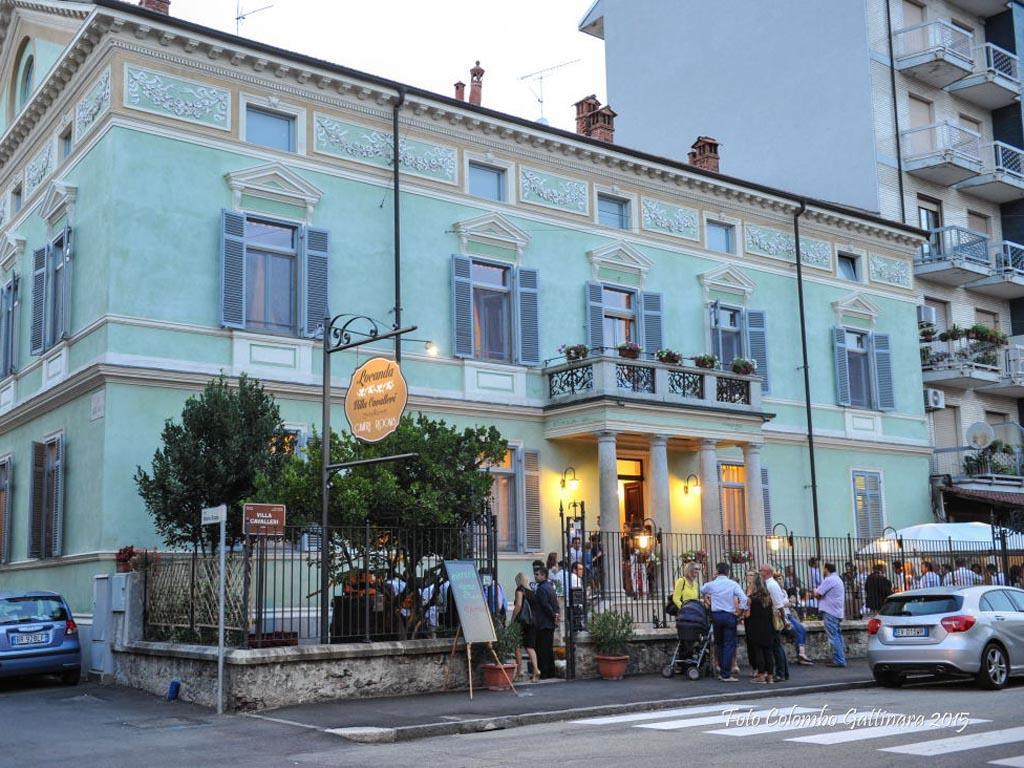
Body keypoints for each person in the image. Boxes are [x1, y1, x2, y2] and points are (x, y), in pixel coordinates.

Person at [700, 562, 748, 682]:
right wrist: (741, 612)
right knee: (729, 645)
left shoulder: (712, 584)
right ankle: (726, 673)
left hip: (716, 615)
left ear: (717, 571)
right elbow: (744, 598)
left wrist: (708, 594)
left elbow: (702, 589)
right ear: (728, 572)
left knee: (719, 644)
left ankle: (722, 670)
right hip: (729, 615)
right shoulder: (733, 584)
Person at [745, 573, 777, 683]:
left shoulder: (751, 599)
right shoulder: (769, 598)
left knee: (758, 651)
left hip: (755, 627)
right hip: (768, 627)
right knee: (768, 652)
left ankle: (761, 675)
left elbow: (747, 615)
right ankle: (770, 676)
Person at [759, 564, 790, 680]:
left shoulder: (771, 585)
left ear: (766, 572)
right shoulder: (769, 584)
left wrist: (784, 620)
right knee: (776, 646)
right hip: (771, 617)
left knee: (776, 647)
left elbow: (779, 605)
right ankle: (783, 672)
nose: (760, 572)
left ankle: (780, 673)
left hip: (773, 618)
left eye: (761, 570)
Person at [814, 562, 846, 668]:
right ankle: (840, 658)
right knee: (837, 635)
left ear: (826, 569)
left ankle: (839, 660)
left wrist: (814, 591)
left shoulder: (829, 580)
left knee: (833, 637)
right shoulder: (838, 579)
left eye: (823, 569)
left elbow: (818, 594)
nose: (822, 571)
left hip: (830, 611)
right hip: (837, 611)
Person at [511, 572, 539, 682]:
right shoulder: (532, 592)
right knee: (530, 647)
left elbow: (518, 605)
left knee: (517, 646)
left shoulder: (519, 590)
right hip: (532, 622)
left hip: (521, 622)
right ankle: (536, 670)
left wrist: (513, 618)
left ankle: (520, 671)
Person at [533, 566, 559, 679]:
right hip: (549, 623)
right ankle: (551, 671)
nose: (535, 576)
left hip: (543, 623)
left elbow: (545, 605)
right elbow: (555, 604)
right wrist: (556, 615)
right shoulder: (550, 587)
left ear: (544, 576)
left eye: (537, 574)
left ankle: (544, 672)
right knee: (548, 649)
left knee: (542, 650)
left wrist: (553, 615)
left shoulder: (541, 589)